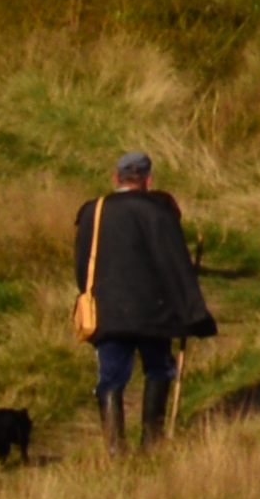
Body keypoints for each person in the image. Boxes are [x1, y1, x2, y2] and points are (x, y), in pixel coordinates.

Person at [71, 152, 217, 450]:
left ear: (116, 178)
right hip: (155, 313)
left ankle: (114, 448)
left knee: (110, 377)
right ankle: (152, 442)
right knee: (159, 370)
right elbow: (176, 267)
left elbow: (82, 265)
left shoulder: (93, 212)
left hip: (108, 312)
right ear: (148, 180)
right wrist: (194, 315)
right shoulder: (159, 212)